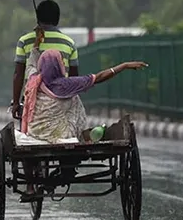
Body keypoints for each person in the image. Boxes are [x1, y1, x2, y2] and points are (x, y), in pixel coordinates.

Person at [19, 48, 147, 197]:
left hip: (37, 134)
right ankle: (64, 173)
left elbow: (30, 66)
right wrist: (124, 65)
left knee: (24, 147)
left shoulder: (33, 80)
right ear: (60, 65)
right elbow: (99, 77)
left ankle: (30, 187)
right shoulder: (68, 84)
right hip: (63, 136)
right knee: (73, 102)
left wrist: (35, 47)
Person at [12, 0, 79, 119]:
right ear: (57, 19)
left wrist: (16, 103)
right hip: (61, 101)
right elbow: (74, 77)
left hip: (32, 102)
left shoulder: (25, 41)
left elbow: (18, 74)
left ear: (38, 18)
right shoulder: (69, 43)